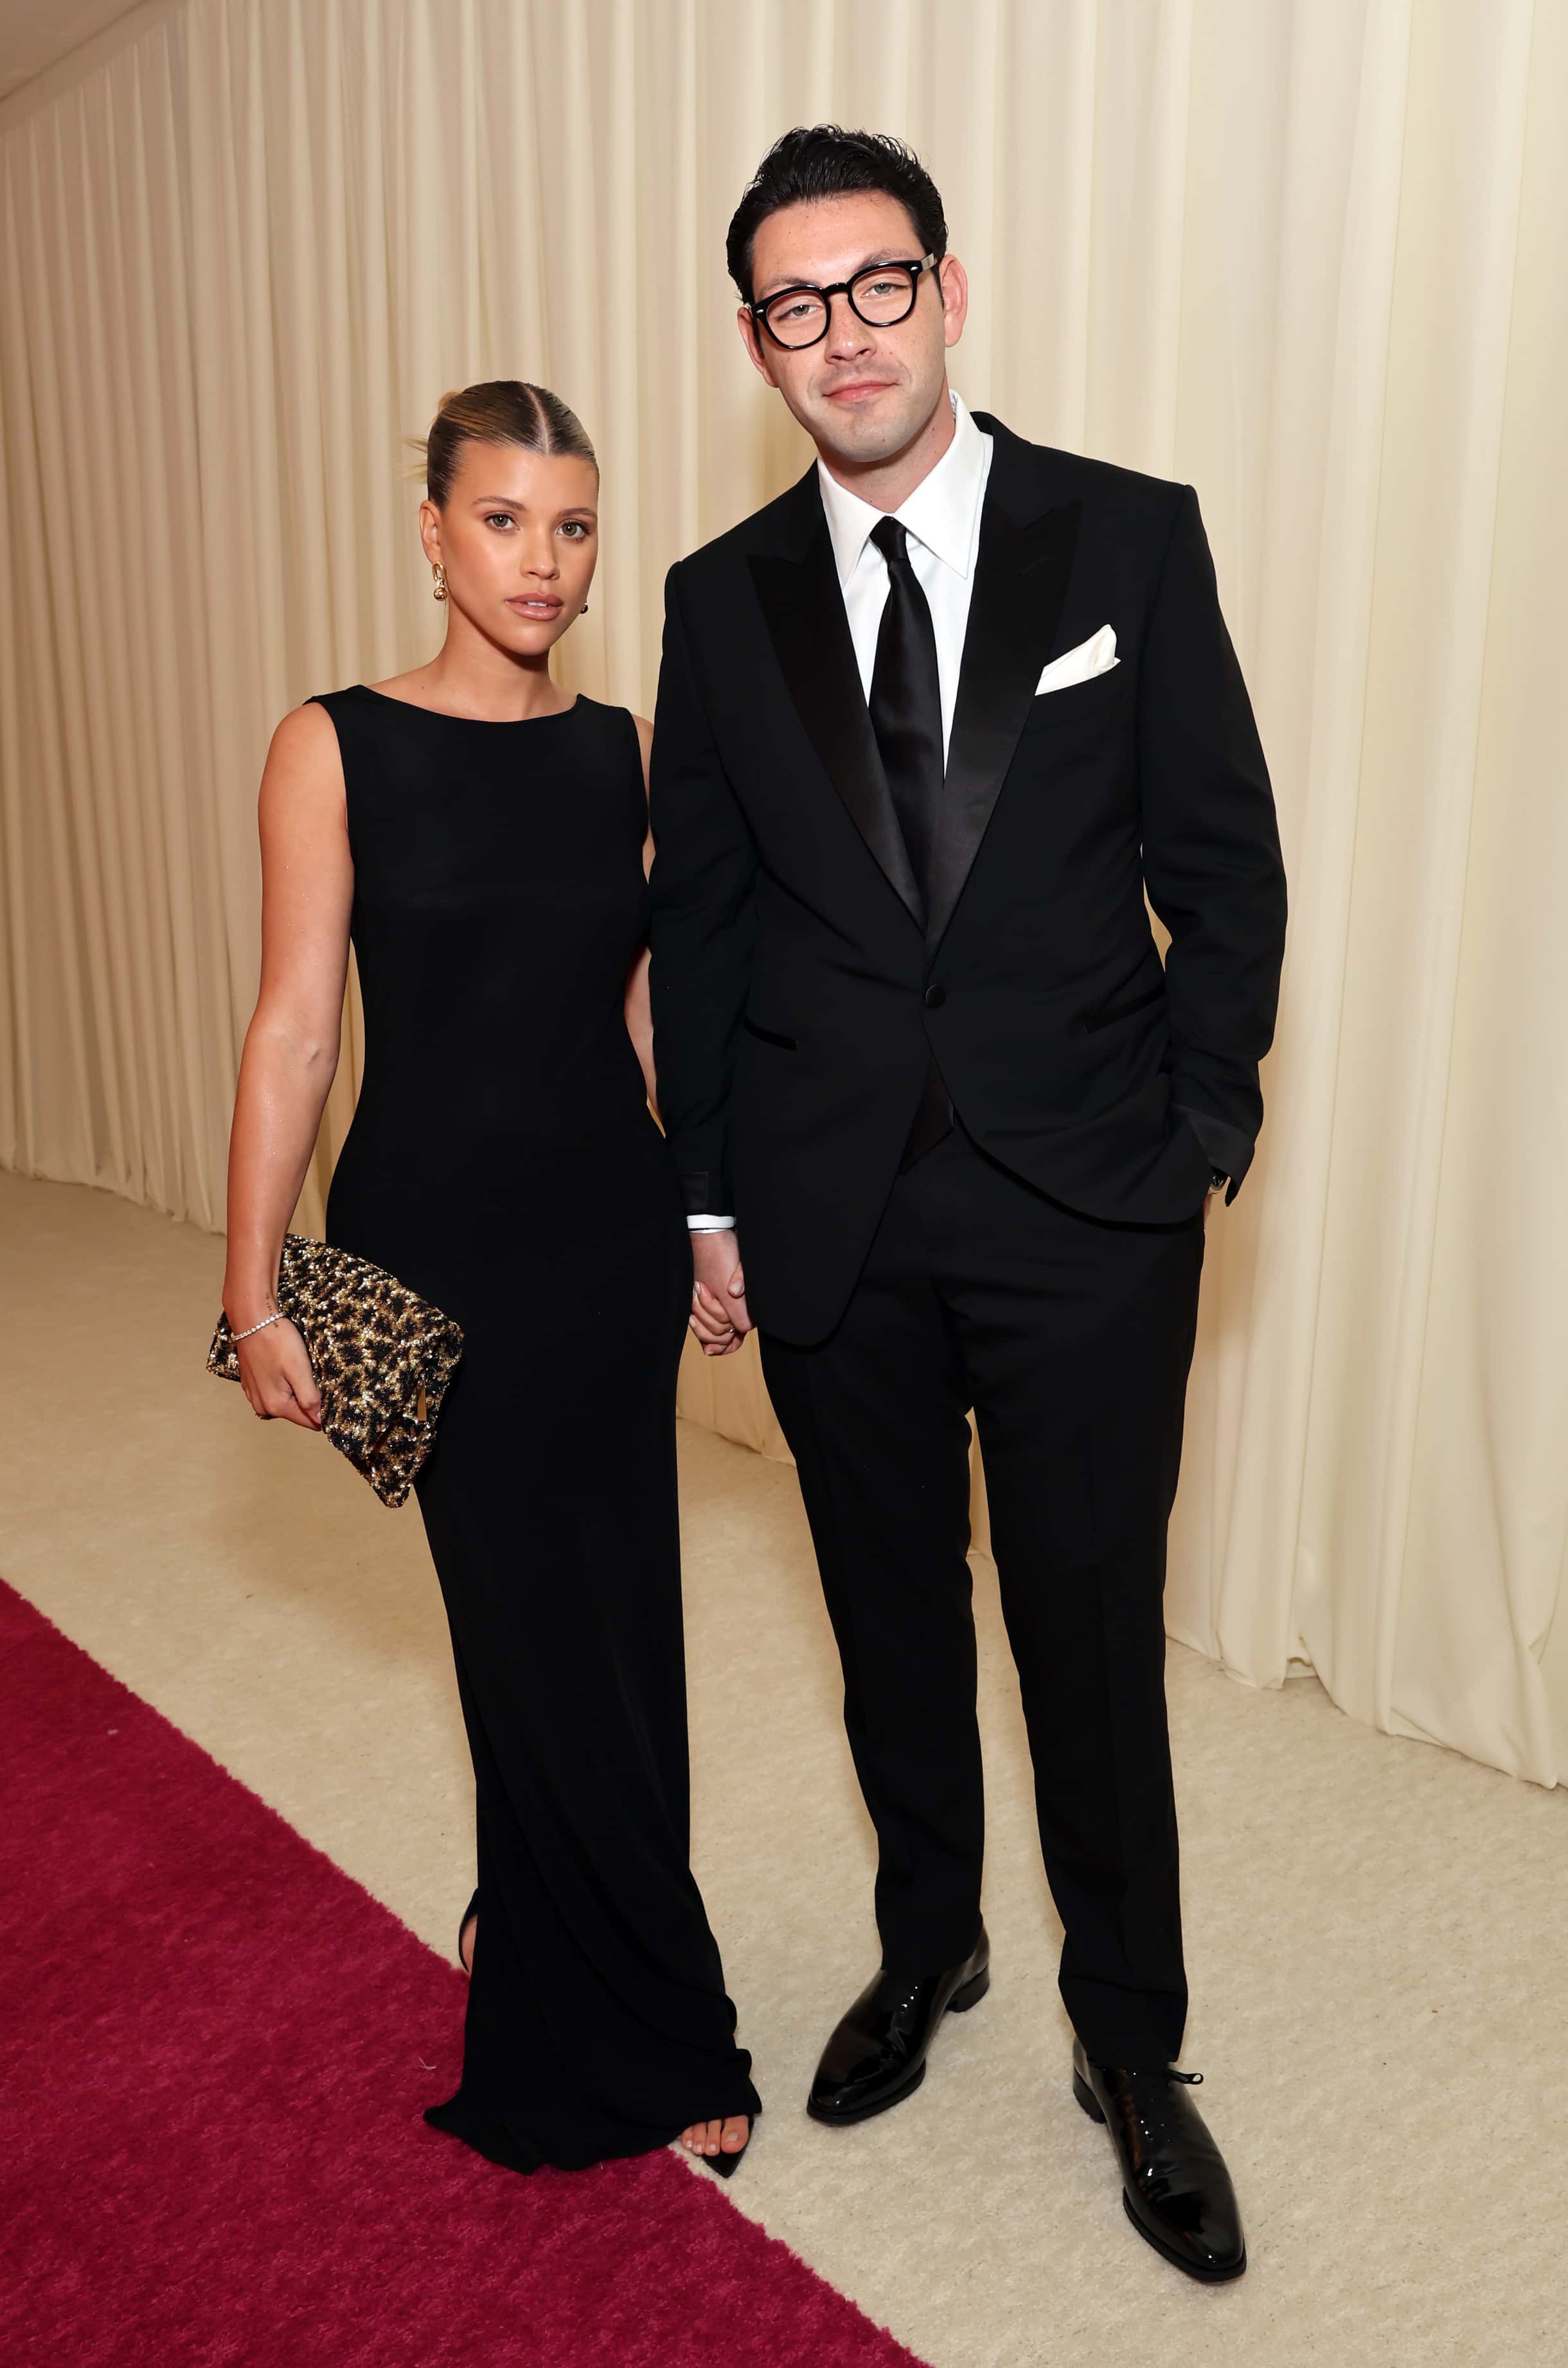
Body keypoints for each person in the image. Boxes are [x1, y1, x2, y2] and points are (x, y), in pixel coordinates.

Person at [647, 130, 1286, 2277]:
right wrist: (709, 1204)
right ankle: (934, 1947)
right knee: (888, 1621)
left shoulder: (1130, 533)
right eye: (795, 305)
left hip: (1089, 1197)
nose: (844, 332)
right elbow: (709, 931)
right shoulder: (715, 599)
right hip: (834, 1220)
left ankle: (1134, 2043)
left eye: (876, 284)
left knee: (1091, 1641)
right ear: (759, 341)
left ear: (949, 289)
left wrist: (1200, 1131)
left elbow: (1227, 864)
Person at [222, 380, 758, 2176]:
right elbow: (297, 1032)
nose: (545, 559)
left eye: (576, 523)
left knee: (626, 1628)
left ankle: (535, 1923)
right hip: (434, 1257)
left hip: (603, 1238)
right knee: (528, 1646)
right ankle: (668, 2017)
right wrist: (258, 1292)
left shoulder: (623, 747)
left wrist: (704, 1207)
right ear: (434, 531)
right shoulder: (335, 740)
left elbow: (640, 1005)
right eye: (508, 519)